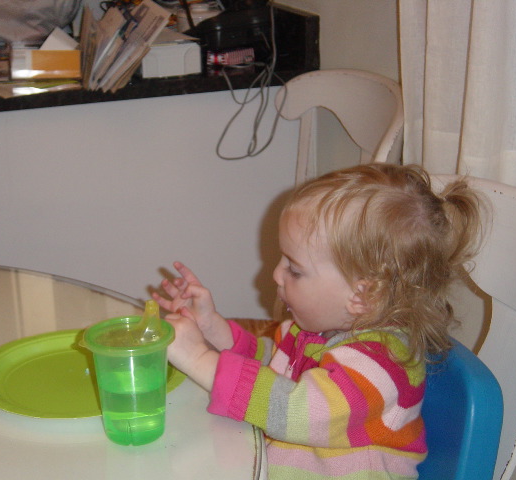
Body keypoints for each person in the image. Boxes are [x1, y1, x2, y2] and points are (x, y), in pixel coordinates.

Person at [153, 163, 486, 480]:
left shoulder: (381, 368)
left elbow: (296, 410)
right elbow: (272, 363)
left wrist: (199, 358)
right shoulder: (316, 329)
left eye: (295, 270)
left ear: (362, 295)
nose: (276, 274)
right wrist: (212, 328)